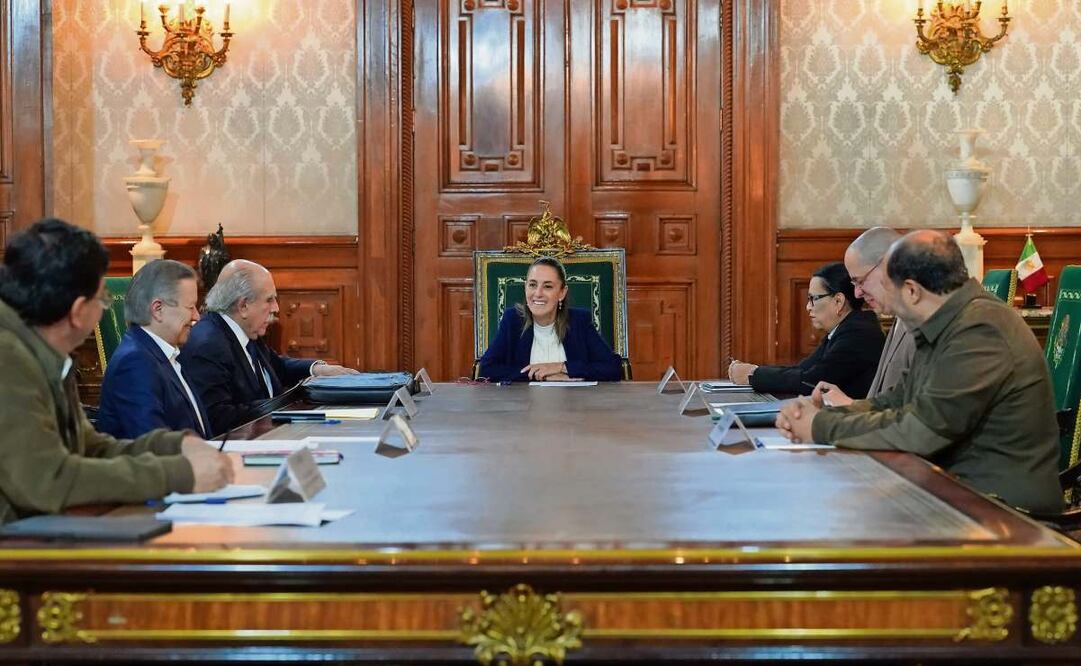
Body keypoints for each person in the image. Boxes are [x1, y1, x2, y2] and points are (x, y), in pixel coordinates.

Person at [777, 230, 1062, 513]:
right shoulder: (946, 323)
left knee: (834, 513)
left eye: (889, 287)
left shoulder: (980, 329)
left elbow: (923, 431)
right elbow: (896, 400)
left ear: (912, 291)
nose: (862, 294)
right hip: (955, 493)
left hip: (1002, 512)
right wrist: (826, 416)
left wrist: (820, 427)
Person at [0, 219, 232, 524]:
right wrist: (178, 474)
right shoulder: (8, 358)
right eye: (103, 299)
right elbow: (48, 480)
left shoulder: (44, 350)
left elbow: (90, 448)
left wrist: (174, 445)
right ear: (78, 311)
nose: (104, 308)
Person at [180, 259, 358, 434]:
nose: (276, 308)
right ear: (243, 306)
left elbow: (277, 366)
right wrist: (285, 409)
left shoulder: (246, 330)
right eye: (269, 300)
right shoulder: (207, 345)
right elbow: (219, 418)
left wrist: (318, 369)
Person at [728, 262, 884, 398]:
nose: (808, 307)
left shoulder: (858, 333)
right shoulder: (844, 328)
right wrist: (755, 371)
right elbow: (802, 370)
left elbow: (811, 382)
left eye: (813, 299)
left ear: (838, 301)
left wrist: (753, 374)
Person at [97, 260, 212, 439]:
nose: (197, 316)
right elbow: (153, 443)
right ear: (158, 309)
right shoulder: (135, 363)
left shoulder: (165, 353)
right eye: (190, 307)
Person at [810, 227, 916, 407]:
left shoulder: (921, 324)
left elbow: (914, 414)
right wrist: (849, 404)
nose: (857, 293)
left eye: (860, 281)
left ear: (889, 265)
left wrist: (850, 406)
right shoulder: (900, 318)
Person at [478, 256, 622, 382]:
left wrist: (561, 367)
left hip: (574, 402)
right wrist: (541, 376)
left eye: (547, 286)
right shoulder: (512, 320)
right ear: (525, 288)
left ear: (562, 292)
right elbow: (486, 369)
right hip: (524, 403)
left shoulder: (579, 321)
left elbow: (613, 368)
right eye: (532, 285)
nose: (538, 293)